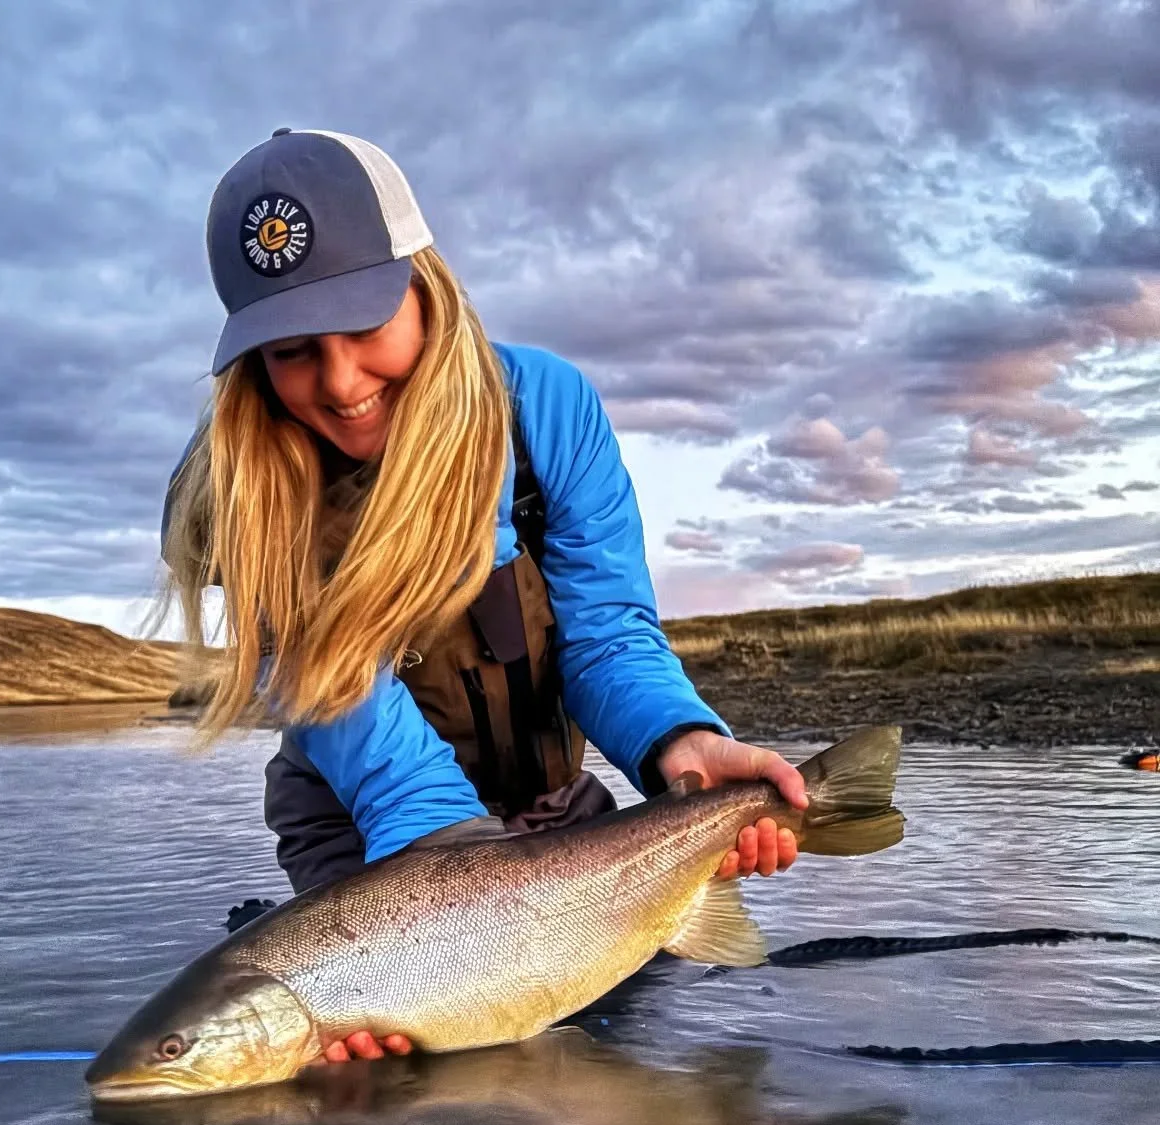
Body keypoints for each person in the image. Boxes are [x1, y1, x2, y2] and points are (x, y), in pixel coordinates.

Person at [162, 129, 808, 1064]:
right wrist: (426, 928)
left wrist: (681, 743)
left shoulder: (548, 409)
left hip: (548, 809)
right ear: (249, 361)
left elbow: (604, 634)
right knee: (406, 1101)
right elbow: (360, 726)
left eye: (365, 327)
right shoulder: (233, 492)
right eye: (294, 352)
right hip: (366, 827)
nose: (340, 384)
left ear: (426, 284)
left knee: (609, 1043)